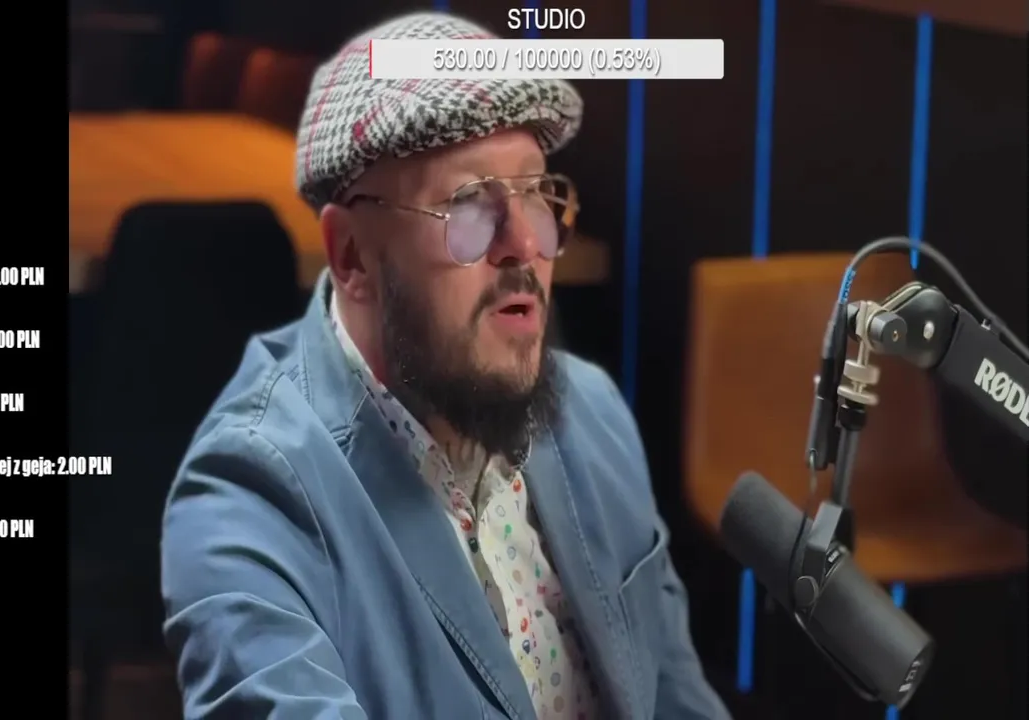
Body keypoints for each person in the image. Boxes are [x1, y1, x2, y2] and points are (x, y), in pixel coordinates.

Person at [161, 12, 730, 720]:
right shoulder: (249, 497)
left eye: (538, 194)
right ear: (352, 257)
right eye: (468, 205)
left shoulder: (593, 413)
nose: (524, 244)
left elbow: (676, 699)